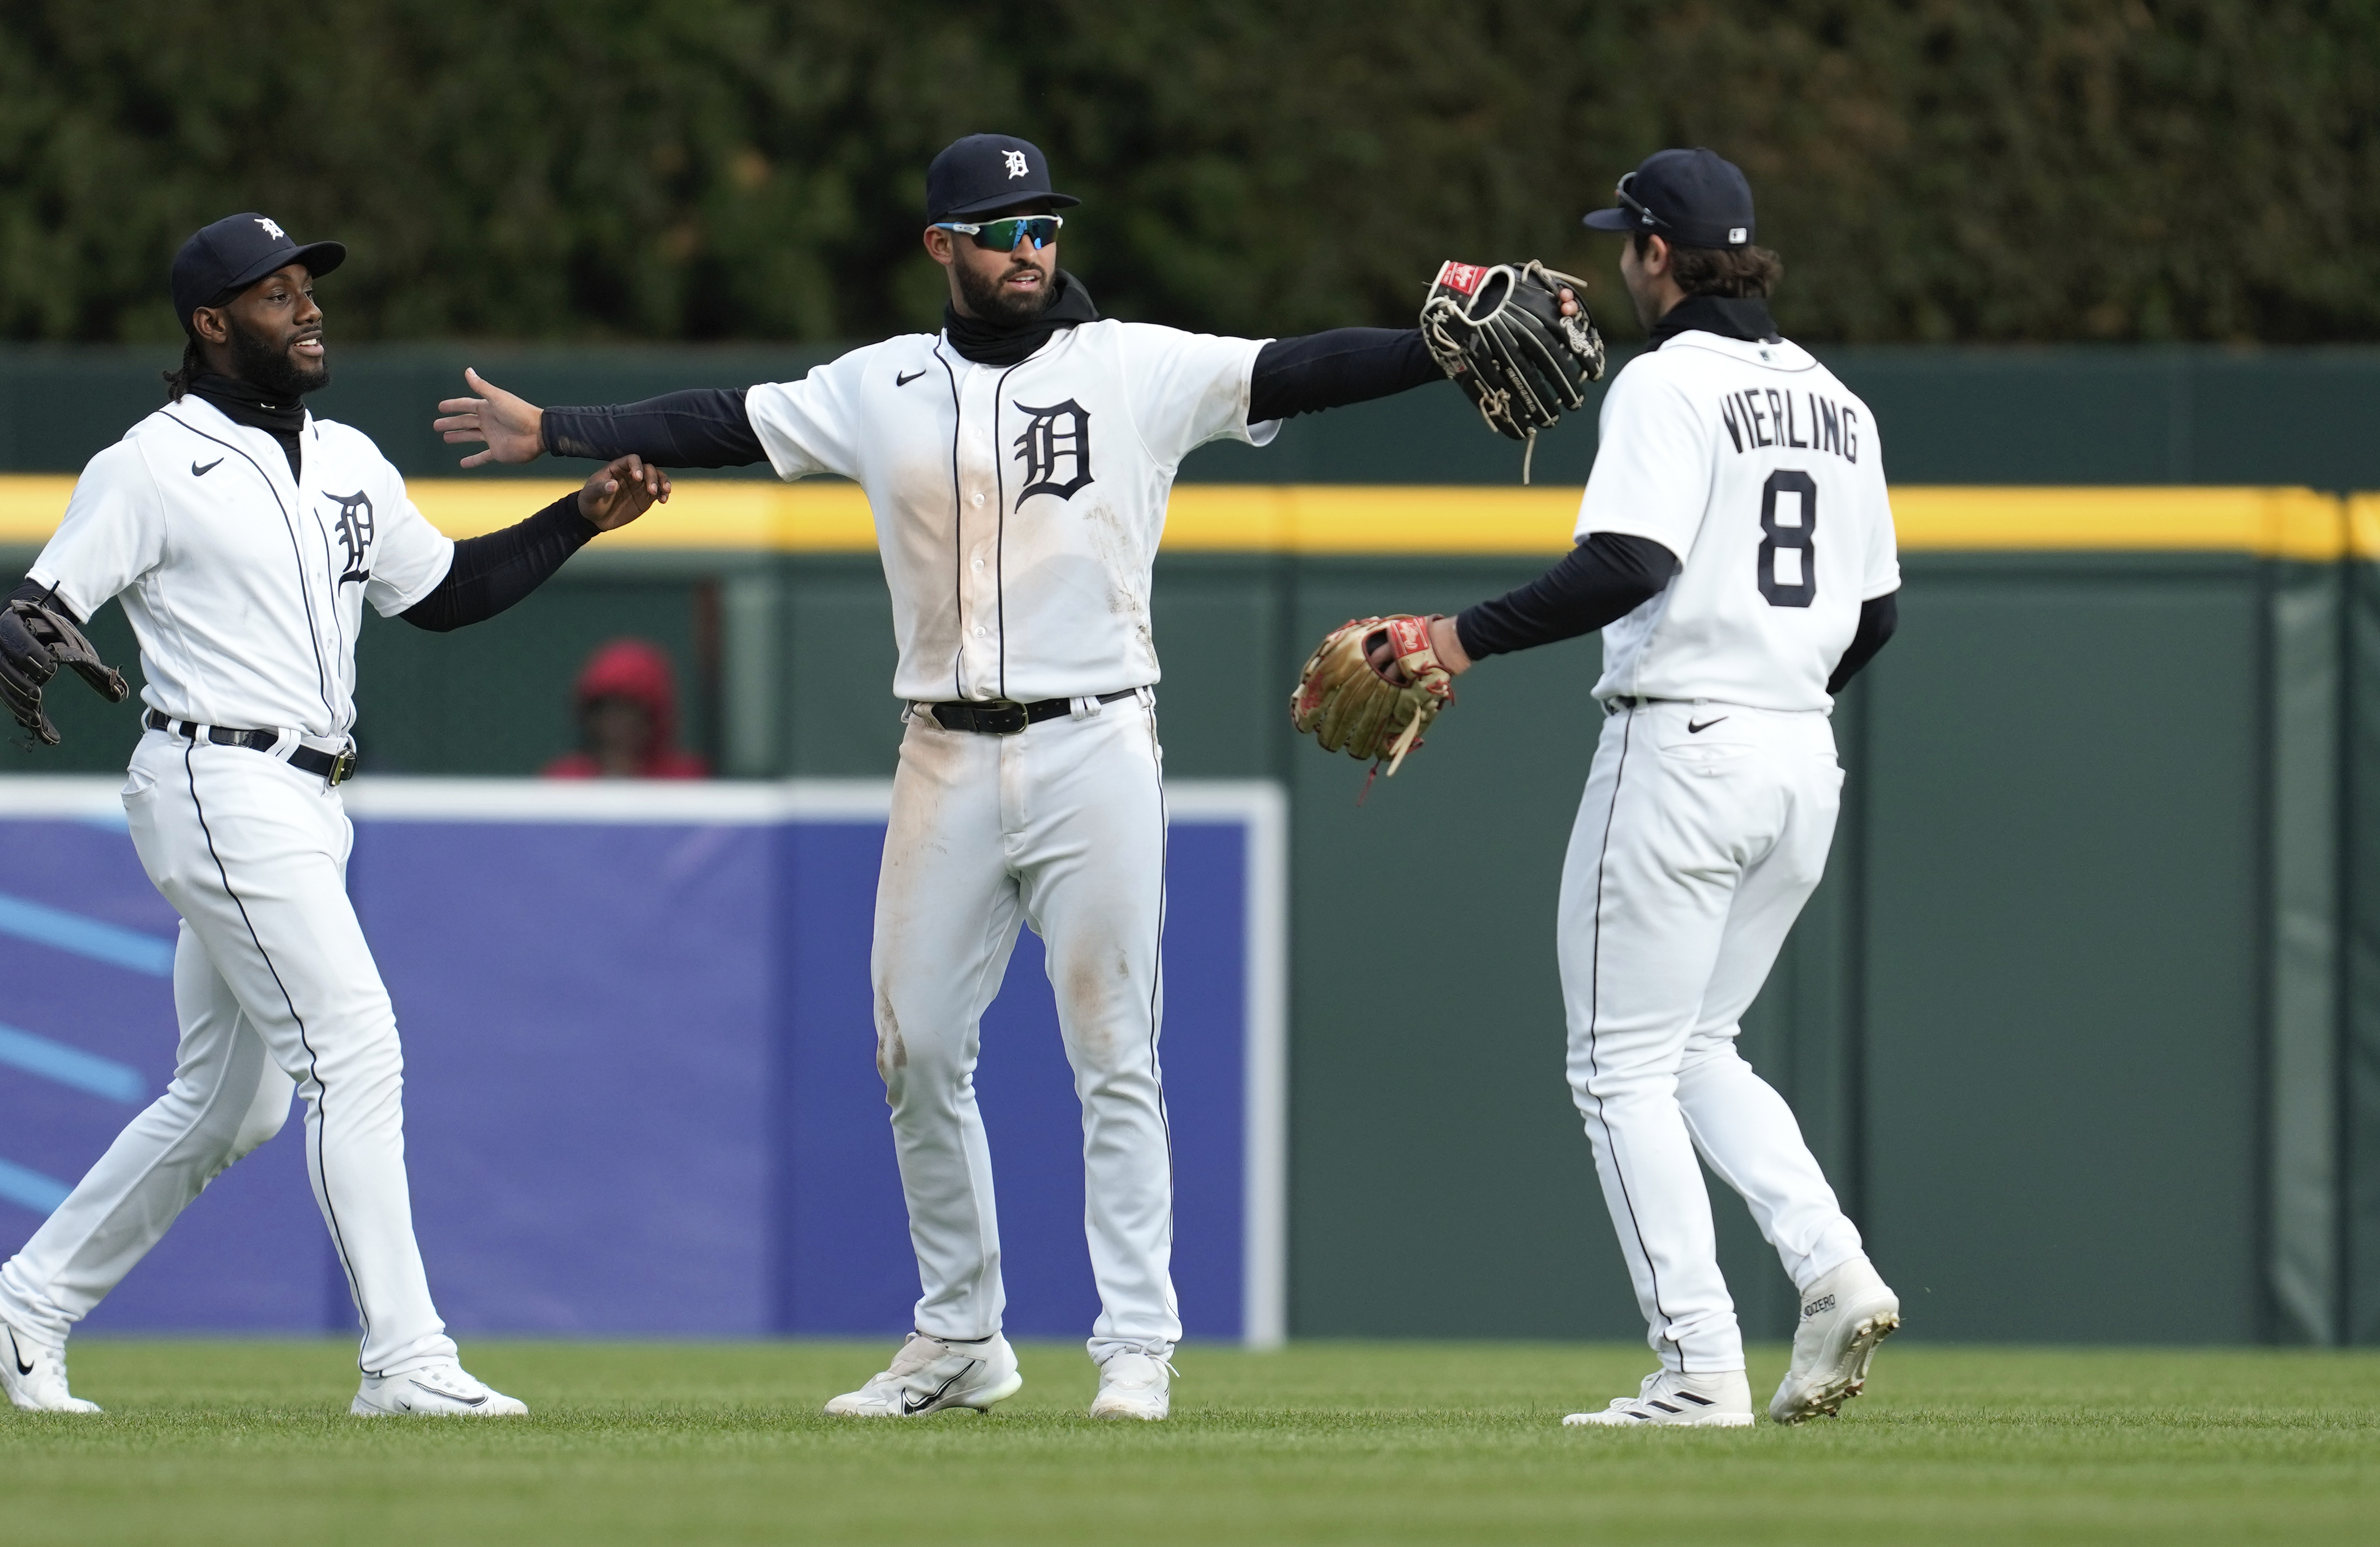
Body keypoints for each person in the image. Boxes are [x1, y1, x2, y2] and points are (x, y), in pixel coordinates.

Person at [435, 134, 1564, 1421]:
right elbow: (724, 421)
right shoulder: (881, 386)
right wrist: (555, 429)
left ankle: (1137, 1346)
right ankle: (962, 1336)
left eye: (1045, 227)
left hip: (1095, 739)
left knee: (1113, 1052)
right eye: (1002, 229)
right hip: (944, 752)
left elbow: (1295, 369)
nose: (1031, 249)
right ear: (942, 247)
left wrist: (1431, 347)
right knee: (914, 1046)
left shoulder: (1135, 365)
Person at [0, 212, 670, 1416]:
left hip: (309, 798)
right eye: (275, 296)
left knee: (233, 1101)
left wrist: (577, 517)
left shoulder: (348, 460)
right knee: (356, 1046)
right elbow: (44, 600)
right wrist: (31, 627)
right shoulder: (149, 461)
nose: (308, 308)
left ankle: (22, 1306)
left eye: (308, 288)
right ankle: (405, 1358)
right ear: (212, 325)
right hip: (216, 780)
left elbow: (441, 595)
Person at [1374, 149, 1903, 1426]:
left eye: (1626, 242)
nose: (1620, 260)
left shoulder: (1669, 382)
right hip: (1796, 754)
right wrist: (1772, 690)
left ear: (1657, 255)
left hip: (1683, 746)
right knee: (1693, 1046)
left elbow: (1623, 560)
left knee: (1615, 1069)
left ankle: (1695, 1364)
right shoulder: (1837, 401)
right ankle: (1830, 1267)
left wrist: (1453, 637)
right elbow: (1875, 615)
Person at [541, 637, 709, 778]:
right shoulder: (565, 779)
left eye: (632, 711)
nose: (620, 723)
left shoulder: (685, 780)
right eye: (609, 709)